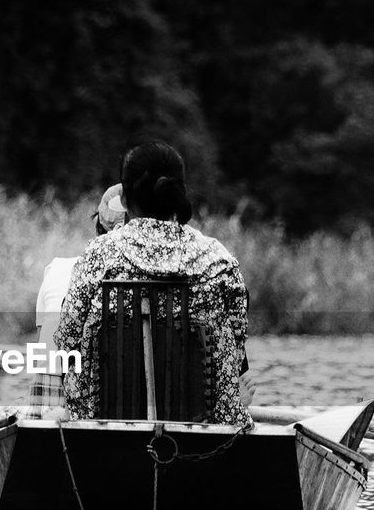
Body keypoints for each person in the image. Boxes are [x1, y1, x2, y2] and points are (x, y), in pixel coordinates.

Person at [57, 141, 254, 428]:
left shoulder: (97, 255)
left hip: (103, 428)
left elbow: (66, 340)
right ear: (178, 193)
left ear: (123, 198)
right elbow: (237, 347)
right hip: (202, 430)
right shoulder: (220, 260)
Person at [19, 183, 126, 419]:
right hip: (110, 400)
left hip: (53, 399)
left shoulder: (58, 268)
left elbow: (47, 338)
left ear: (99, 226)